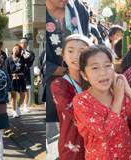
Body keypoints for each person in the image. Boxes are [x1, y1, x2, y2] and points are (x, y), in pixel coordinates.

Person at [73, 45, 131, 159]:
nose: (103, 72)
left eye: (107, 66)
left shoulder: (120, 94)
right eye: (95, 68)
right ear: (84, 75)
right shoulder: (82, 101)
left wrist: (128, 89)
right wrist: (118, 99)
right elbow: (105, 133)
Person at [39, 0, 91, 130]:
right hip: (52, 80)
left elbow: (88, 40)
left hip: (80, 80)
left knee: (80, 126)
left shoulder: (78, 8)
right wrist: (62, 70)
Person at [50, 35, 92, 159]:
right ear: (63, 56)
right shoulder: (59, 84)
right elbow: (74, 113)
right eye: (70, 51)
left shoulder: (97, 81)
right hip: (72, 145)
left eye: (82, 51)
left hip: (99, 145)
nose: (76, 56)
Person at [3, 44, 27, 118]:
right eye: (15, 48)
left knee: (23, 95)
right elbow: (5, 70)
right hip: (12, 78)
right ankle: (14, 111)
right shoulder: (8, 59)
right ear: (12, 49)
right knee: (14, 96)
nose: (16, 50)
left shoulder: (22, 59)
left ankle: (18, 107)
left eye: (18, 49)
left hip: (21, 78)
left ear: (19, 51)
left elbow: (27, 65)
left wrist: (25, 52)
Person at [19, 38, 34, 113]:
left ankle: (25, 107)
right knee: (16, 91)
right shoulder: (17, 52)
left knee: (26, 90)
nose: (23, 44)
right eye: (22, 43)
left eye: (25, 43)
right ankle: (16, 107)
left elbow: (30, 62)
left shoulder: (30, 53)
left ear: (27, 44)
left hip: (26, 73)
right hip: (17, 74)